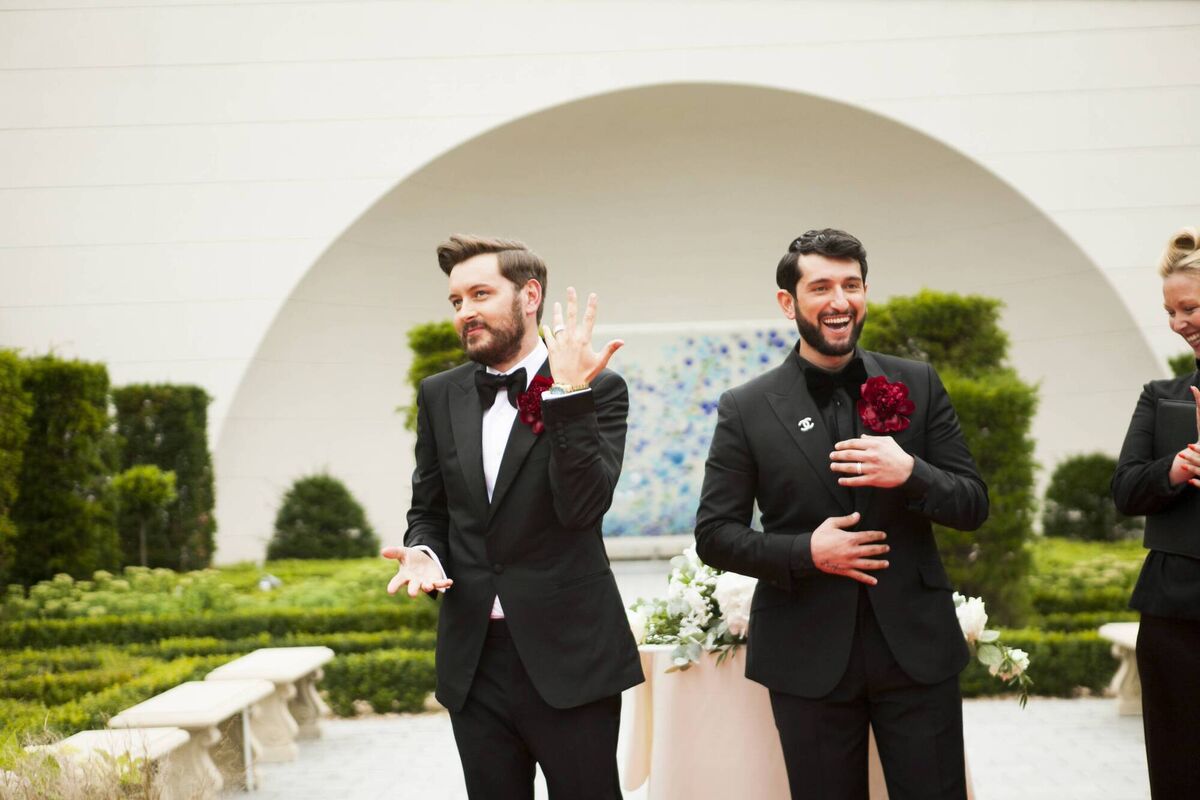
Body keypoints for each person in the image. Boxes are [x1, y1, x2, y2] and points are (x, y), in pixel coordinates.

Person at [694, 228, 989, 800]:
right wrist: (806, 552)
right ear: (789, 302)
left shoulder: (918, 382)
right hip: (805, 655)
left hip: (917, 649)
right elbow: (714, 534)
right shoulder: (746, 407)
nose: (839, 301)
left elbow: (973, 503)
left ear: (865, 292)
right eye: (821, 286)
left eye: (851, 284)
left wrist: (912, 473)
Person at [381, 234, 643, 800]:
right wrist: (423, 551)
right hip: (473, 661)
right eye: (456, 301)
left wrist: (570, 393)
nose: (465, 312)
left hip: (571, 656)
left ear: (530, 296)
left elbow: (583, 508)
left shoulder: (600, 386)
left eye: (479, 294)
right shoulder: (439, 395)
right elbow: (429, 510)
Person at [1111, 226, 1200, 800]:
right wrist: (1178, 466)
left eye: (1188, 307)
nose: (1178, 323)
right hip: (1174, 621)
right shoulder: (1161, 397)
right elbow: (1125, 489)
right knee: (1178, 773)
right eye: (1169, 312)